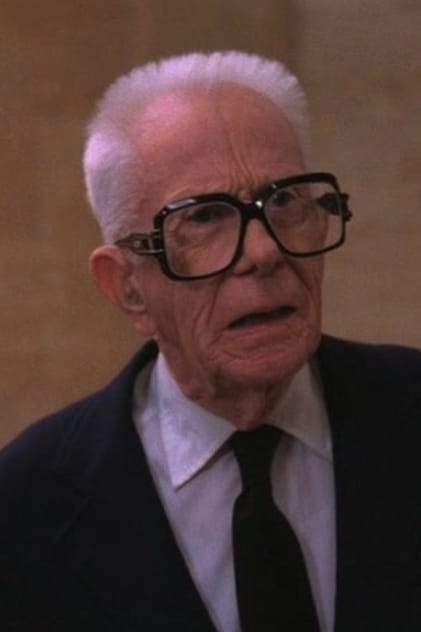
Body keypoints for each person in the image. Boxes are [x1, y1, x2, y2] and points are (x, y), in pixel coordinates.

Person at [1, 51, 421, 632]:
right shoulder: (25, 507)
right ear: (127, 287)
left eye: (284, 201)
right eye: (202, 218)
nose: (264, 251)